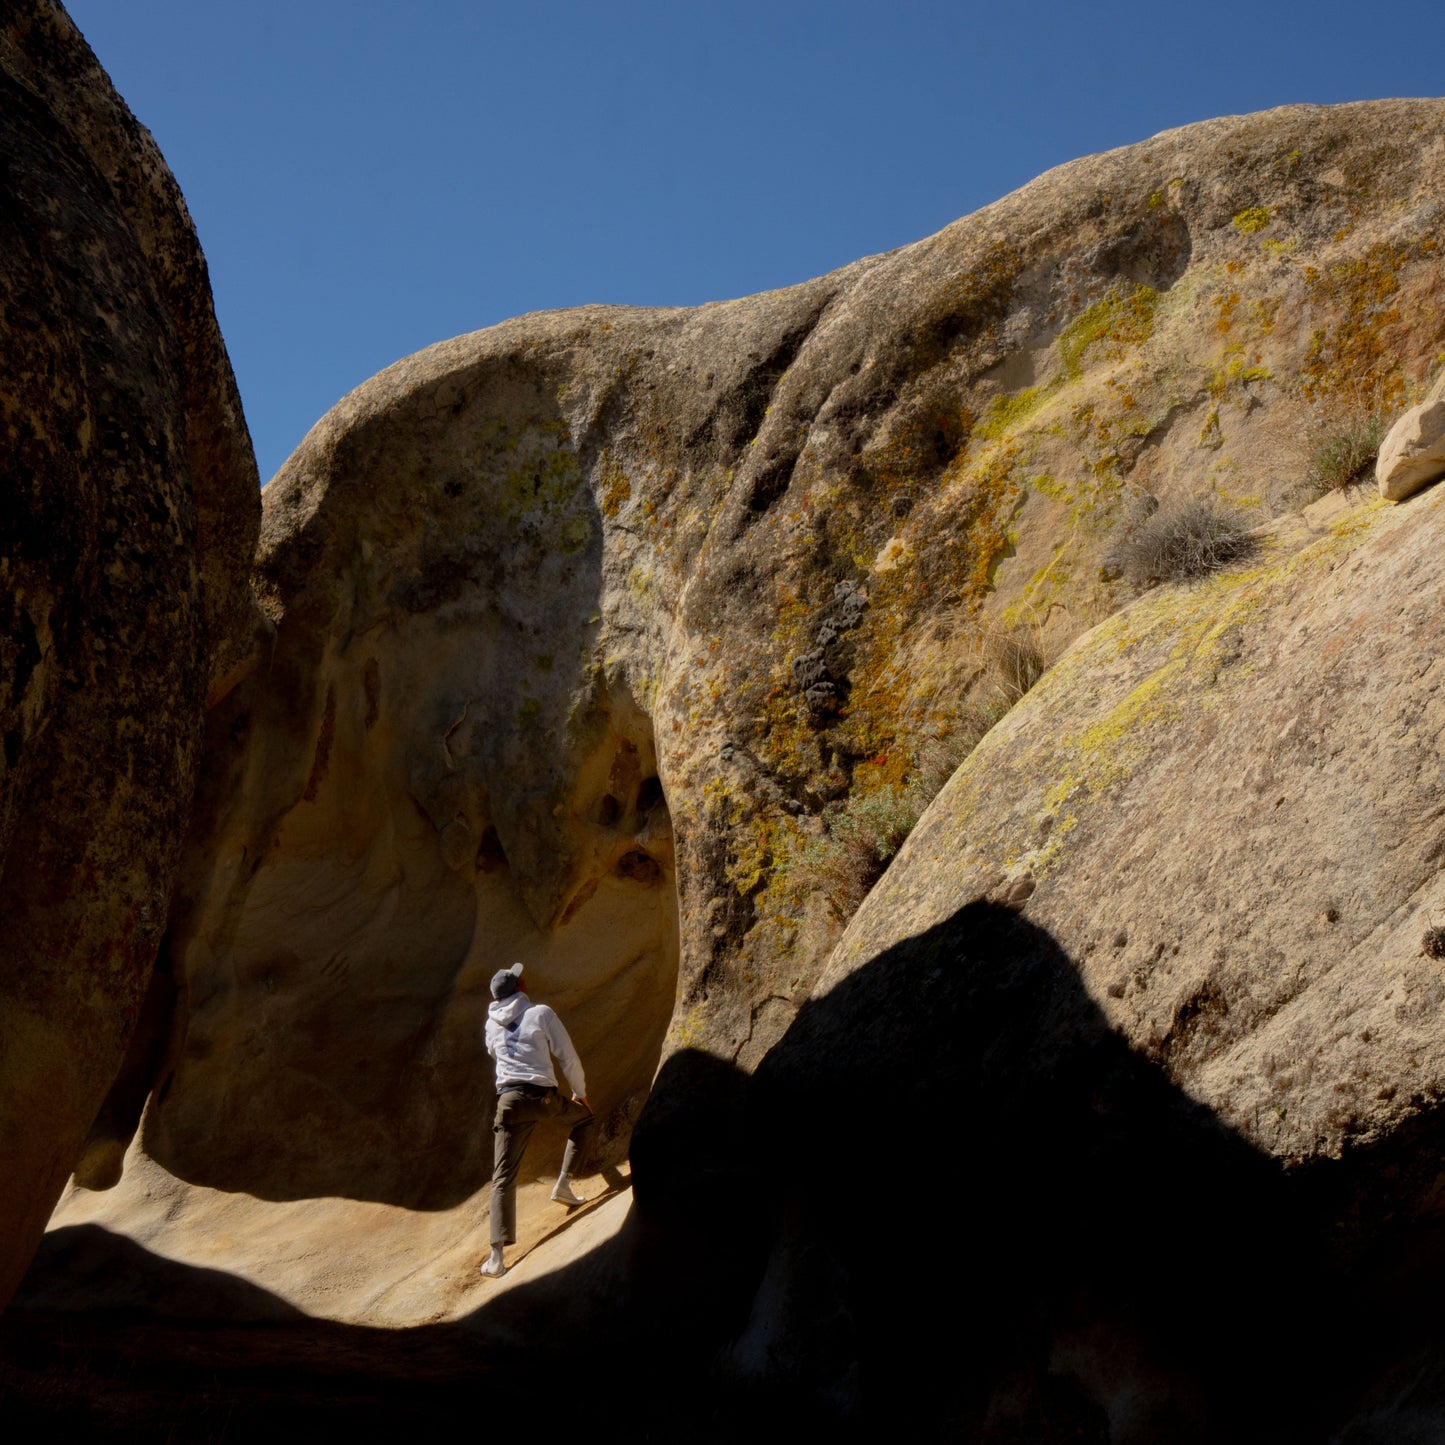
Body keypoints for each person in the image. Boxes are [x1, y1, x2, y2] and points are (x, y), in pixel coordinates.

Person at [480, 962, 594, 1279]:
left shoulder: (491, 1025)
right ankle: (564, 1185)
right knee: (584, 1120)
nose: (526, 982)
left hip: (509, 1103)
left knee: (503, 1176)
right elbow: (567, 1056)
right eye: (522, 980)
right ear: (520, 989)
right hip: (542, 1097)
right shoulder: (541, 1012)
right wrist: (579, 1092)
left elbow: (494, 1052)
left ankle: (496, 1259)